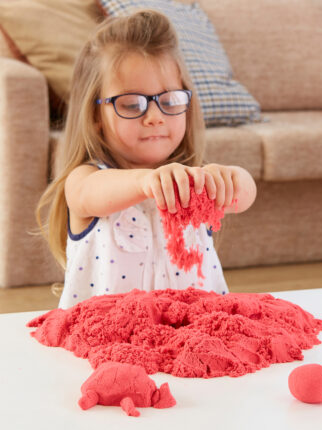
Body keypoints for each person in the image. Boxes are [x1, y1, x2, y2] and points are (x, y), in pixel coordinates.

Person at [37, 10, 257, 309]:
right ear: (94, 115)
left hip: (191, 328)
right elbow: (88, 194)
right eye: (131, 104)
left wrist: (227, 178)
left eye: (169, 100)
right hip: (106, 332)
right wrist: (147, 181)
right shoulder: (86, 179)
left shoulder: (191, 184)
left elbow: (244, 193)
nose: (155, 117)